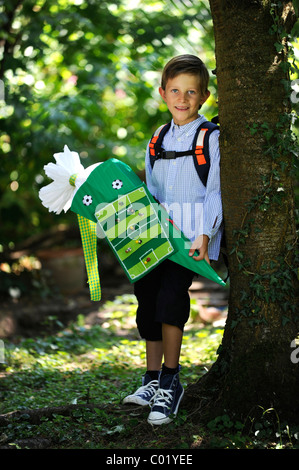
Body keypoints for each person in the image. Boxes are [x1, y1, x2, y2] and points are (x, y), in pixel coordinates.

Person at [123, 54, 223, 425]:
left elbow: (215, 190)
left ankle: (171, 380)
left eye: (191, 92)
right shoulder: (157, 139)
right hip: (155, 237)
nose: (183, 99)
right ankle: (150, 379)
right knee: (146, 299)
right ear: (163, 93)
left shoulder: (210, 138)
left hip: (189, 240)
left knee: (170, 300)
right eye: (176, 91)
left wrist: (205, 233)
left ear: (204, 97)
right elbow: (151, 191)